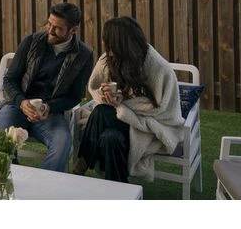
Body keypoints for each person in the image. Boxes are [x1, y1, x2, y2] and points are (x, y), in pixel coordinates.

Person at [72, 16, 183, 182]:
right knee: (110, 138)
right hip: (118, 121)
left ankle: (81, 165)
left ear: (121, 43)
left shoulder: (158, 68)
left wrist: (122, 104)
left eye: (108, 41)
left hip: (147, 125)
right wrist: (107, 96)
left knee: (102, 112)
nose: (105, 44)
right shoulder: (109, 59)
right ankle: (121, 189)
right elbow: (95, 88)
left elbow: (161, 108)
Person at [0, 2, 94, 172]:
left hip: (50, 114)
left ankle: (45, 186)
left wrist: (49, 107)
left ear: (73, 30)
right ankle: (10, 178)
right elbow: (10, 79)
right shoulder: (31, 42)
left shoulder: (83, 55)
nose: (50, 30)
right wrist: (21, 102)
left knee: (62, 143)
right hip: (17, 106)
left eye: (58, 28)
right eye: (49, 24)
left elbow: (75, 96)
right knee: (2, 139)